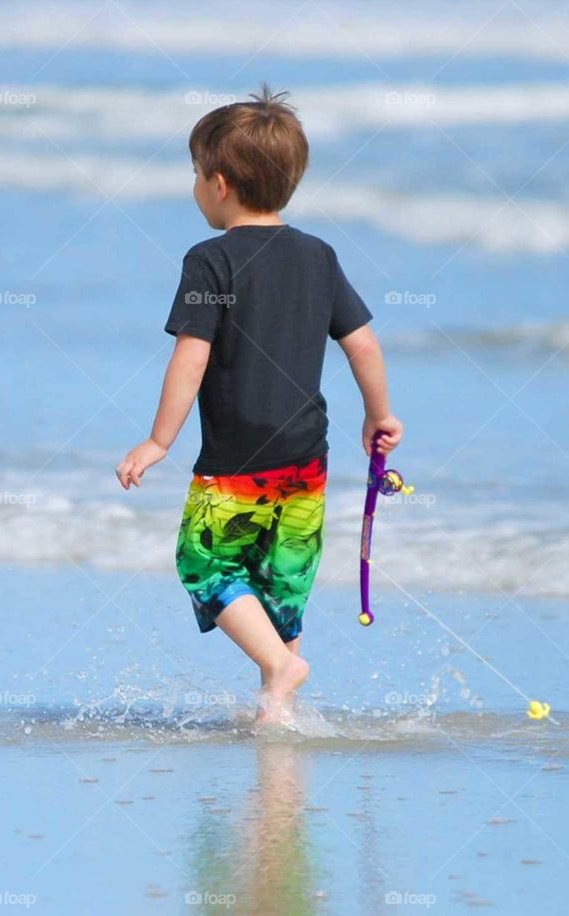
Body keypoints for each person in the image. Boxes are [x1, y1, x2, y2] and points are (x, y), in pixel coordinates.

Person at [115, 84, 403, 725]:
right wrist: (379, 415)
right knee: (283, 576)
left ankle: (278, 670)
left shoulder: (210, 261)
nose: (194, 186)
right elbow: (362, 344)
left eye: (194, 174)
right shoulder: (318, 256)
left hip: (235, 456)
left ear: (219, 183)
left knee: (205, 562)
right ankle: (282, 706)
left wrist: (159, 441)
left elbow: (190, 357)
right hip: (306, 453)